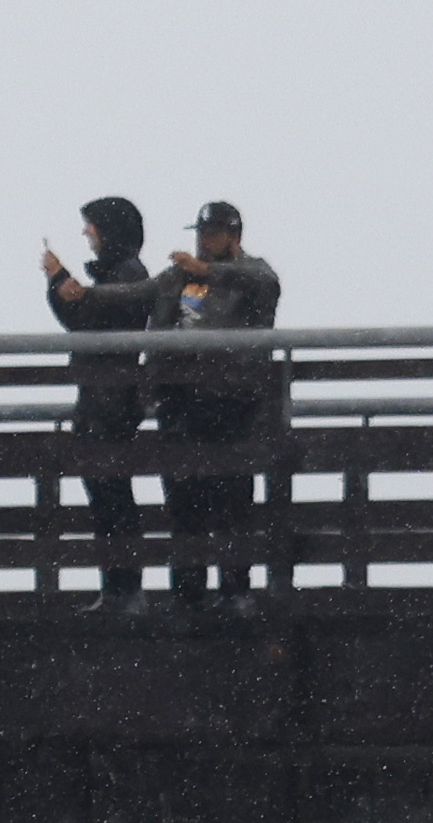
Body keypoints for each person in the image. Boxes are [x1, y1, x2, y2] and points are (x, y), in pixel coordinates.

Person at [157, 202, 288, 603]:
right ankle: (189, 592)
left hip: (233, 404)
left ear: (234, 236)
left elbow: (265, 282)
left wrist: (210, 272)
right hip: (183, 403)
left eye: (213, 232)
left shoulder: (253, 274)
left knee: (232, 501)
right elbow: (143, 296)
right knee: (184, 503)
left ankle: (236, 590)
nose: (204, 240)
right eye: (200, 232)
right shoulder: (183, 278)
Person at [35, 196, 163, 604]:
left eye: (91, 224)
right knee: (108, 496)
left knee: (111, 498)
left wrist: (58, 280)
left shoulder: (127, 273)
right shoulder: (124, 271)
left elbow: (86, 321)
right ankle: (119, 589)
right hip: (105, 400)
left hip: (109, 401)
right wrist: (63, 286)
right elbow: (87, 318)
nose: (86, 232)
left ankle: (124, 590)